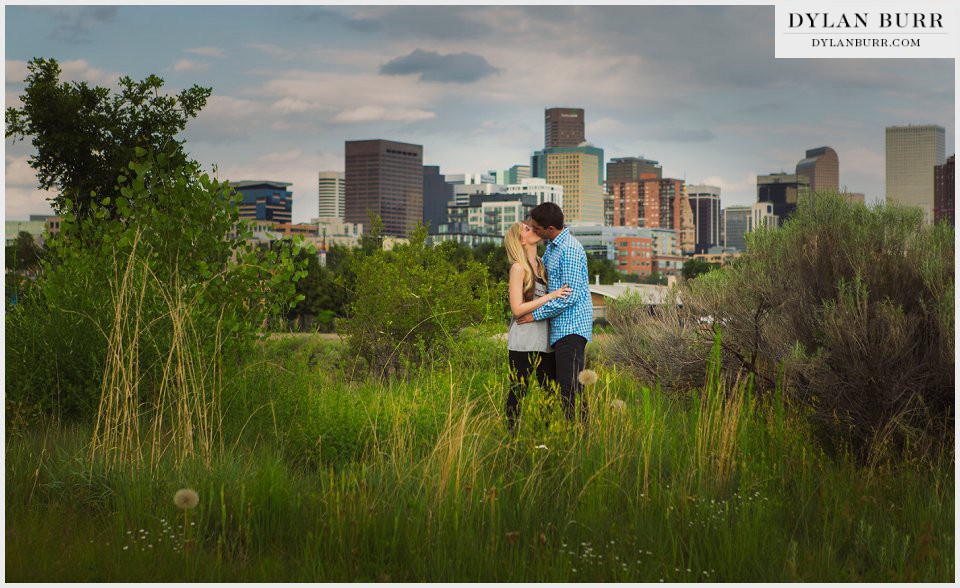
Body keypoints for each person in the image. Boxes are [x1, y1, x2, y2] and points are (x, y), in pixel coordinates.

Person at [519, 202, 593, 426]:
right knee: (560, 385)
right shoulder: (552, 246)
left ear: (550, 228)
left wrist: (534, 315)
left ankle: (581, 435)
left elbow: (567, 296)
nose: (533, 230)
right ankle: (564, 431)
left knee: (570, 387)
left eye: (536, 228)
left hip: (571, 328)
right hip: (558, 329)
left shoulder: (569, 249)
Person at [503, 220, 571, 434]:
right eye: (526, 228)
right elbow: (517, 308)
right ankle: (510, 439)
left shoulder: (542, 265)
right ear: (521, 239)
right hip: (523, 342)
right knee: (518, 392)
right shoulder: (518, 268)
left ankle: (542, 439)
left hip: (546, 342)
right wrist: (551, 296)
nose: (532, 229)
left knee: (549, 394)